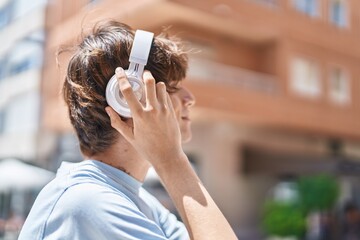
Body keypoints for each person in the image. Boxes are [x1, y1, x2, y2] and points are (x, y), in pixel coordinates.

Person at [18, 21, 237, 240]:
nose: (190, 99)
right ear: (127, 97)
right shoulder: (86, 203)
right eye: (174, 86)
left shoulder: (140, 202)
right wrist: (170, 159)